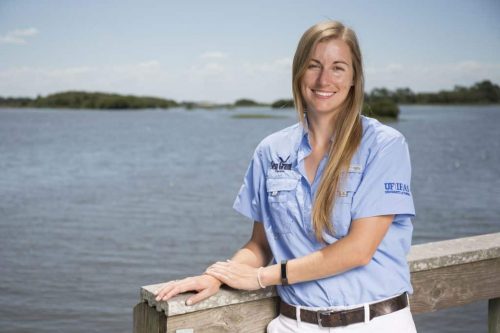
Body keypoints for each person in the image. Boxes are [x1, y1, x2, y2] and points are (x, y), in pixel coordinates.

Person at [154, 20, 417, 332]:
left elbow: (359, 250)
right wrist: (216, 276)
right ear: (298, 72)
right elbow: (259, 246)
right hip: (294, 324)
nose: (324, 79)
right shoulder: (271, 150)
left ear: (354, 77)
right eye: (313, 65)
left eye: (338, 68)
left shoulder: (384, 145)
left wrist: (264, 277)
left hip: (373, 322)